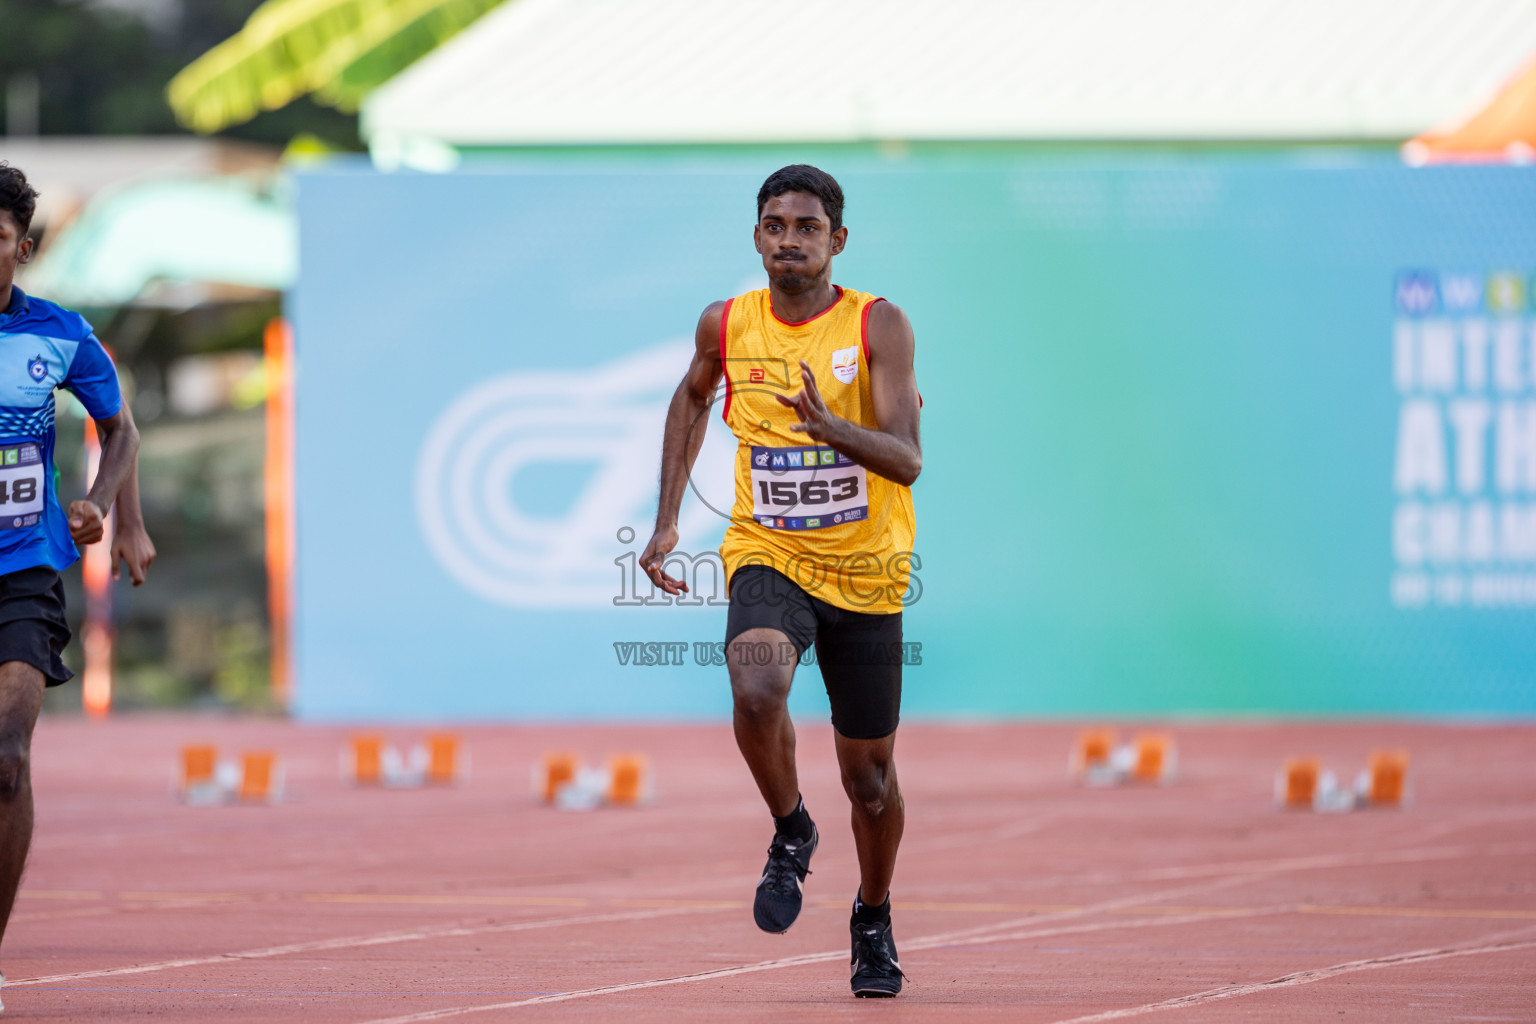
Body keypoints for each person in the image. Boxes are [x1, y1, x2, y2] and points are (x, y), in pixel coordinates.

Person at [641, 164, 921, 998]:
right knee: (757, 686)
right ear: (757, 237)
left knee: (869, 783)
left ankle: (873, 917)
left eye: (806, 227)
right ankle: (792, 832)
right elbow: (691, 402)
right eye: (774, 226)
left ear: (836, 241)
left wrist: (831, 426)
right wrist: (667, 521)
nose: (788, 240)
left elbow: (907, 459)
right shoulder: (727, 325)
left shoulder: (879, 325)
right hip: (770, 552)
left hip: (867, 572)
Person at [0, 163, 154, 1010]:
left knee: (8, 759)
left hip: (23, 570)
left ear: (20, 248)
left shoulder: (59, 334)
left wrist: (107, 507)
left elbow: (118, 424)